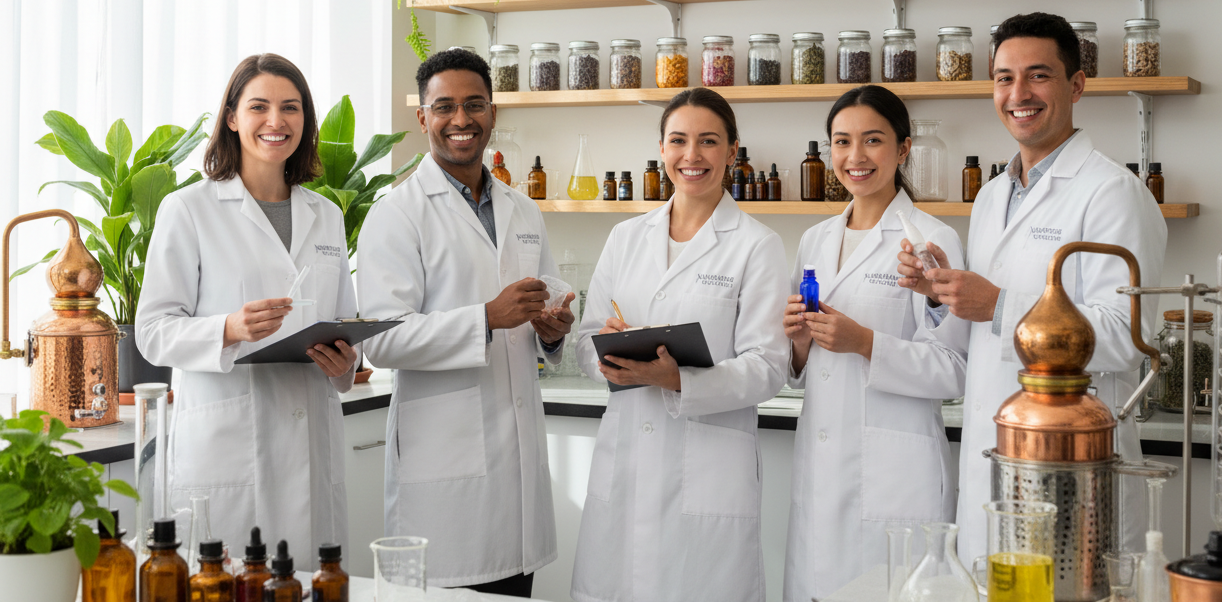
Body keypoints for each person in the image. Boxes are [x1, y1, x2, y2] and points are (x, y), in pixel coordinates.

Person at [897, 12, 1167, 560]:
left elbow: (1127, 335)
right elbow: (984, 332)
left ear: (1076, 84)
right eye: (1003, 78)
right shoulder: (994, 195)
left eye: (1038, 75)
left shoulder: (1113, 192)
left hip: (1073, 466)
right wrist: (940, 292)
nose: (1018, 93)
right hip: (995, 456)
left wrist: (998, 306)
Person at [356, 48, 572, 598]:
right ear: (423, 117)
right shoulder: (397, 213)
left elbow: (545, 298)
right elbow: (381, 339)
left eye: (474, 104)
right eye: (445, 106)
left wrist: (553, 328)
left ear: (493, 113)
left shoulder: (523, 210)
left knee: (512, 586)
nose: (461, 120)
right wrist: (486, 318)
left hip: (516, 468)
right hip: (443, 469)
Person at [136, 54, 359, 571]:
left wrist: (345, 360)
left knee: (307, 580)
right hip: (227, 447)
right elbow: (150, 331)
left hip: (310, 442)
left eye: (291, 108)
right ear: (232, 117)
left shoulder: (325, 215)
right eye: (258, 106)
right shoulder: (187, 209)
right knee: (232, 580)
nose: (276, 121)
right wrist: (228, 329)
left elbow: (346, 322)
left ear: (305, 122)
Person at [570, 87, 789, 602]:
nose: (692, 156)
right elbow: (586, 341)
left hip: (709, 465)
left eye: (708, 141)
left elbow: (768, 366)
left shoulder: (757, 245)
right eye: (678, 141)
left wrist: (675, 379)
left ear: (732, 152)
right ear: (662, 148)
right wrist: (609, 354)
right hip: (625, 459)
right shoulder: (626, 237)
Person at [781, 86, 969, 600]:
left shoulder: (931, 240)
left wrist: (865, 343)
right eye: (841, 141)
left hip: (894, 470)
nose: (854, 157)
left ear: (903, 149)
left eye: (872, 140)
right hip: (821, 462)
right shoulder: (815, 239)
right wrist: (797, 340)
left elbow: (954, 368)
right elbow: (799, 364)